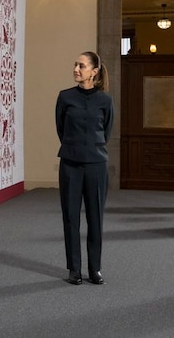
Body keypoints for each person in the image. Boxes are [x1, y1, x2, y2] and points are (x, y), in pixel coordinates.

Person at [55, 51, 113, 286]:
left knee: (95, 218)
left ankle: (95, 269)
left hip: (97, 165)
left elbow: (107, 131)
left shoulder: (105, 101)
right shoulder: (65, 97)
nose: (76, 69)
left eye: (81, 65)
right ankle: (74, 269)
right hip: (70, 163)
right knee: (70, 217)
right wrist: (74, 148)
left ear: (94, 71)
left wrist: (91, 149)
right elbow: (61, 129)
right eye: (75, 64)